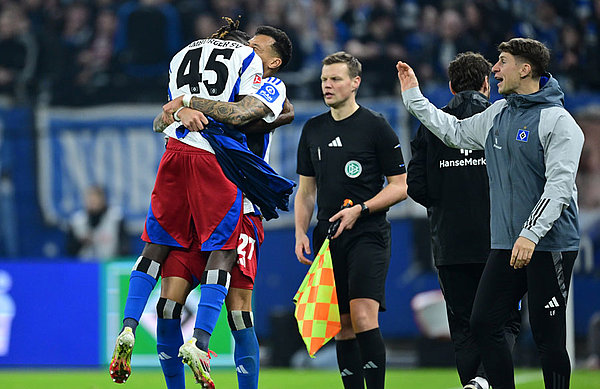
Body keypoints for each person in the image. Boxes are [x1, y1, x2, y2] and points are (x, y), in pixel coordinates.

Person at [108, 19, 292, 388]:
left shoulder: (270, 86)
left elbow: (262, 114)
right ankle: (193, 347)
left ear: (273, 62)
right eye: (248, 45)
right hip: (205, 192)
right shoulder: (238, 74)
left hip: (242, 206)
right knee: (168, 306)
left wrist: (186, 102)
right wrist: (177, 111)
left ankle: (198, 348)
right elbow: (160, 120)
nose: (250, 51)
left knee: (240, 312)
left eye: (258, 48)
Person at [397, 37, 584, 389]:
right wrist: (414, 99)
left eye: (502, 62)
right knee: (483, 322)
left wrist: (531, 233)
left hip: (548, 243)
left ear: (525, 69)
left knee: (548, 337)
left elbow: (559, 188)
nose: (494, 69)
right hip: (505, 243)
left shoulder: (559, 121)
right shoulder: (498, 113)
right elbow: (454, 132)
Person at [407, 52, 521, 389]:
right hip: (498, 243)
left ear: (452, 86)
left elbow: (416, 187)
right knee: (507, 321)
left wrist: (447, 204)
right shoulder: (502, 119)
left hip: (450, 245)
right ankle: (486, 380)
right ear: (487, 83)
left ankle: (473, 382)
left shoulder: (433, 124)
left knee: (463, 326)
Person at [295, 51, 408, 389]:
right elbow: (305, 192)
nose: (327, 86)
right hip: (327, 239)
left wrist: (361, 209)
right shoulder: (313, 129)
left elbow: (401, 187)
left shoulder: (376, 126)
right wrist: (301, 230)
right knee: (341, 326)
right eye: (324, 80)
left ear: (355, 82)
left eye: (335, 79)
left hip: (368, 233)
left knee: (362, 317)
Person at [66, 185, 127, 260]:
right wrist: (81, 242)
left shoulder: (115, 217)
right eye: (90, 199)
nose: (92, 202)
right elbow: (69, 251)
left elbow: (125, 248)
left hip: (109, 264)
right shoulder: (77, 220)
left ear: (103, 199)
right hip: (83, 265)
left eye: (96, 198)